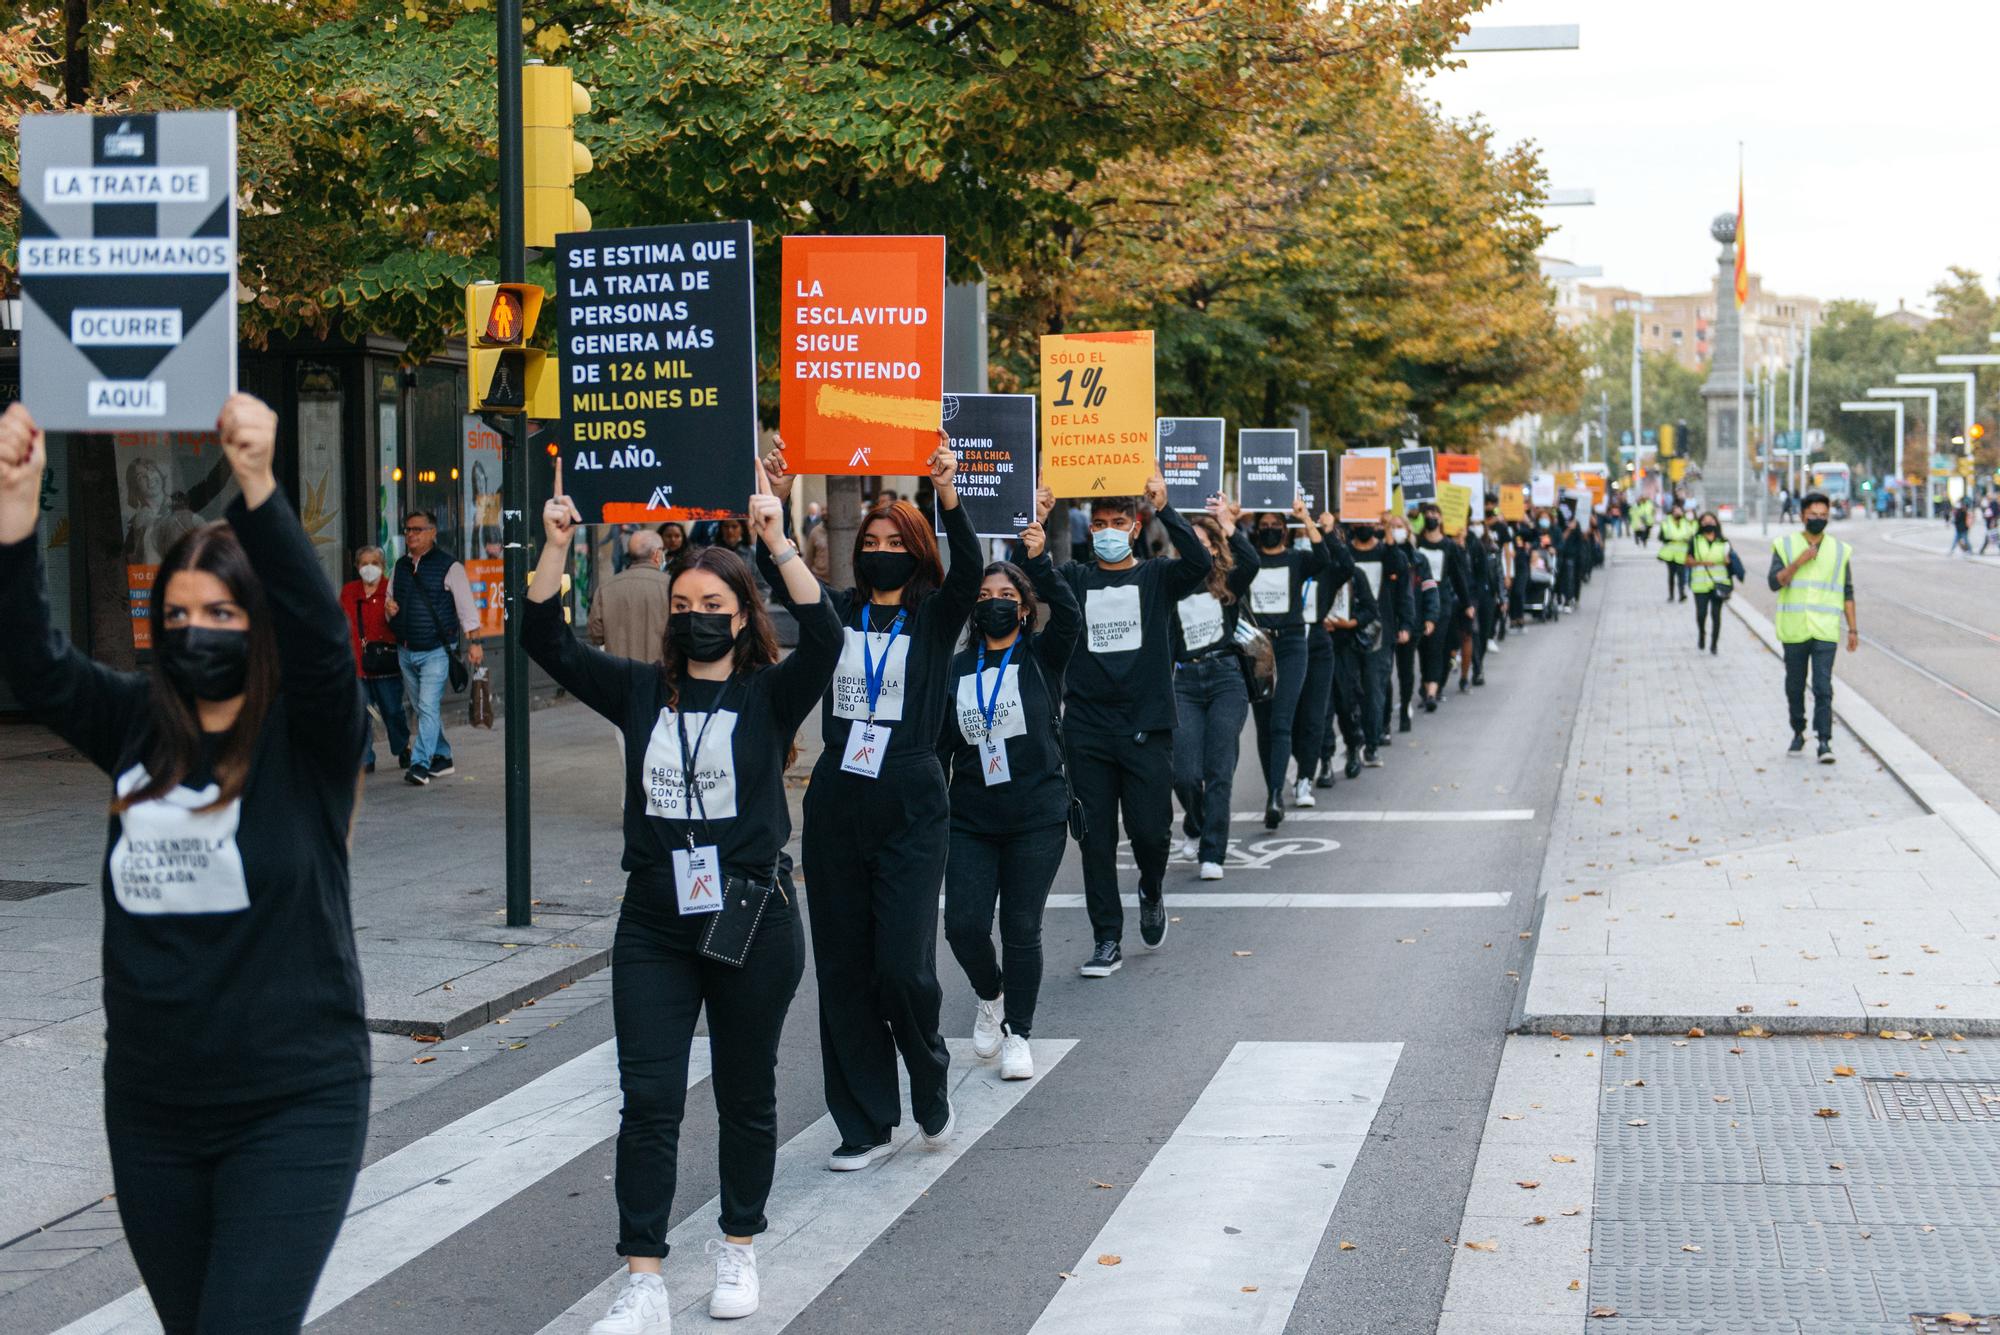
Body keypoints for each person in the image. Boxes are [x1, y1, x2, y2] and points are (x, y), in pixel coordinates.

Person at [0, 396, 371, 1334]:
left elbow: (326, 648)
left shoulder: (309, 735)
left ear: (257, 622)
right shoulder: (132, 722)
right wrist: (14, 507)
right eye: (177, 613)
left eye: (220, 611)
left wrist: (257, 485)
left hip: (293, 1104)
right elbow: (37, 668)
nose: (197, 628)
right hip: (154, 1110)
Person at [528, 459, 835, 1328]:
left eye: (714, 608)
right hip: (655, 918)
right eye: (684, 608)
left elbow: (825, 634)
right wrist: (556, 547)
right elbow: (544, 640)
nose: (697, 620)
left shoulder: (770, 694)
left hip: (751, 914)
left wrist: (776, 540)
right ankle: (643, 1276)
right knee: (650, 1097)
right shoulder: (639, 692)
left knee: (746, 1090)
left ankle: (738, 1248)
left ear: (744, 617)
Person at [760, 435, 976, 1170]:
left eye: (895, 541)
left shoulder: (935, 617)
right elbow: (788, 584)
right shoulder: (841, 613)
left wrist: (947, 493)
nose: (880, 548)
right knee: (845, 968)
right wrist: (776, 518)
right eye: (872, 539)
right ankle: (864, 1121)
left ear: (915, 551)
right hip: (838, 800)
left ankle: (929, 1071)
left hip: (912, 800)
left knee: (902, 965)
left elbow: (972, 573)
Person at [939, 521, 1079, 1083]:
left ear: (1023, 609)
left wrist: (1040, 561)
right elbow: (940, 744)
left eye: (1006, 597)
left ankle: (1019, 1031)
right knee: (964, 926)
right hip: (971, 817)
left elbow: (1069, 615)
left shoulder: (1043, 658)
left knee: (1022, 927)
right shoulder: (954, 669)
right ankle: (990, 994)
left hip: (1037, 816)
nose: (994, 605)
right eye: (984, 597)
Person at [1057, 476, 1212, 977]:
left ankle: (1150, 887)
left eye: (1116, 523)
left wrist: (1168, 509)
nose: (1105, 531)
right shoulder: (1076, 578)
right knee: (1095, 840)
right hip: (1087, 731)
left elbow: (1199, 565)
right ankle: (1106, 939)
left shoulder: (1156, 577)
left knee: (1150, 831)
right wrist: (1034, 521)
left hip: (1146, 729)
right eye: (1098, 524)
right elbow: (1028, 577)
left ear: (1133, 526)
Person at [1171, 498, 1258, 880]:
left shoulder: (1228, 582)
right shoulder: (1168, 583)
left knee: (1218, 769)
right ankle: (1196, 820)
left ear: (1215, 547)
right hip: (1185, 683)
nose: (1194, 548)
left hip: (1225, 679)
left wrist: (1229, 525)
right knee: (1185, 773)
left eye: (1203, 542)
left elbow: (1251, 562)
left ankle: (1213, 852)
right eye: (1187, 541)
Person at [1247, 497, 1337, 824]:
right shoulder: (1250, 560)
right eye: (1264, 527)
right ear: (1256, 531)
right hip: (1258, 648)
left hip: (1293, 645)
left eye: (1276, 526)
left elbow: (1324, 557)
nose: (1269, 531)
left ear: (1285, 531)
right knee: (1264, 724)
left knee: (1282, 720)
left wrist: (1306, 518)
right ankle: (1274, 784)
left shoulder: (1297, 560)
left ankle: (1274, 797)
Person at [387, 509, 483, 786]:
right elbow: (391, 600)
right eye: (407, 530)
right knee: (421, 707)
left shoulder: (450, 567)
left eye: (417, 529)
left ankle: (420, 764)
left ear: (432, 532)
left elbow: (466, 609)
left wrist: (474, 643)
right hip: (406, 649)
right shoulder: (400, 566)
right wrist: (389, 608)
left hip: (436, 651)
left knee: (427, 706)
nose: (411, 535)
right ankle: (443, 756)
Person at [1769, 492, 1858, 764]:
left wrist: (1853, 629)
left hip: (1825, 630)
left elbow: (1847, 591)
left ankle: (1824, 741)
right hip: (1795, 629)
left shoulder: (1840, 551)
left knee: (1823, 687)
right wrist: (1799, 561)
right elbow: (1775, 583)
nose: (1818, 519)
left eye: (1823, 515)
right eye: (1813, 515)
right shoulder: (1784, 545)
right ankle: (1798, 729)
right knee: (1794, 687)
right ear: (1802, 515)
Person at [1314, 517, 1379, 780]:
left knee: (1346, 701)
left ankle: (1353, 747)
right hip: (1320, 646)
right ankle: (1325, 761)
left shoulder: (1354, 574)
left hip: (1345, 648)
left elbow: (1370, 610)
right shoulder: (1314, 570)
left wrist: (1350, 622)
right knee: (1322, 707)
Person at [1348, 514, 1412, 756]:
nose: (1364, 526)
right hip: (1348, 628)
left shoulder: (1388, 553)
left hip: (1380, 630)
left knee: (1374, 687)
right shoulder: (1346, 554)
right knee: (1349, 690)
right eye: (1359, 521)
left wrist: (1405, 624)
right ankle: (1355, 738)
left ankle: (1372, 742)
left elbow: (1402, 577)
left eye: (1369, 522)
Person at [342, 544, 407, 774]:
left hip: (385, 666)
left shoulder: (392, 589)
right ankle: (365, 758)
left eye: (375, 563)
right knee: (361, 715)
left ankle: (402, 747)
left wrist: (395, 613)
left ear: (383, 566)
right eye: (364, 563)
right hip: (358, 664)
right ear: (357, 566)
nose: (369, 568)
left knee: (392, 711)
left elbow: (401, 626)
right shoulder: (349, 591)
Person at [588, 529, 675, 665]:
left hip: (618, 674)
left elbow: (596, 635)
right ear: (657, 554)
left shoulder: (606, 588)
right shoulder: (673, 586)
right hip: (660, 674)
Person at [1412, 504, 1465, 713]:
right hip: (1419, 603)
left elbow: (1458, 576)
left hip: (1441, 603)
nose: (1431, 517)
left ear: (1441, 519)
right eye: (1428, 514)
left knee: (1436, 646)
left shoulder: (1449, 546)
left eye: (1435, 514)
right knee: (1423, 648)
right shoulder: (1416, 543)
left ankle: (1433, 690)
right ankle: (1426, 685)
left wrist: (1467, 603)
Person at [1385, 512, 1423, 730]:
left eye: (1400, 526)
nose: (1397, 529)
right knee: (1384, 672)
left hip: (1408, 620)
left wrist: (1411, 622)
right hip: (1387, 621)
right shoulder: (1384, 554)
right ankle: (1385, 718)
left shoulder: (1417, 558)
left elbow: (1421, 590)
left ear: (1408, 530)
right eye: (1393, 526)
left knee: (1405, 671)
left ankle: (1405, 708)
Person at [1688, 510, 1737, 655]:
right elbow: (1687, 561)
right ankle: (1702, 634)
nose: (1708, 523)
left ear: (1716, 523)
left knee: (1716, 615)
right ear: (1700, 524)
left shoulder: (1724, 542)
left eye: (1711, 521)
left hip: (1719, 584)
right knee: (1701, 614)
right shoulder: (1695, 540)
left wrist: (1729, 562)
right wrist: (1702, 562)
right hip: (1700, 584)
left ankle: (1714, 643)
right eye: (1704, 521)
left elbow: (1732, 563)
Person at [1657, 502, 1694, 601]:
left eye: (1680, 511)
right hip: (1670, 554)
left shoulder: (1685, 522)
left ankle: (1682, 594)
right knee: (1671, 575)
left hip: (1682, 553)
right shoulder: (1666, 522)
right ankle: (1671, 595)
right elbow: (1662, 537)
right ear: (1672, 513)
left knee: (1681, 575)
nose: (1678, 513)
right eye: (1676, 511)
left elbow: (1691, 535)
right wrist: (1673, 538)